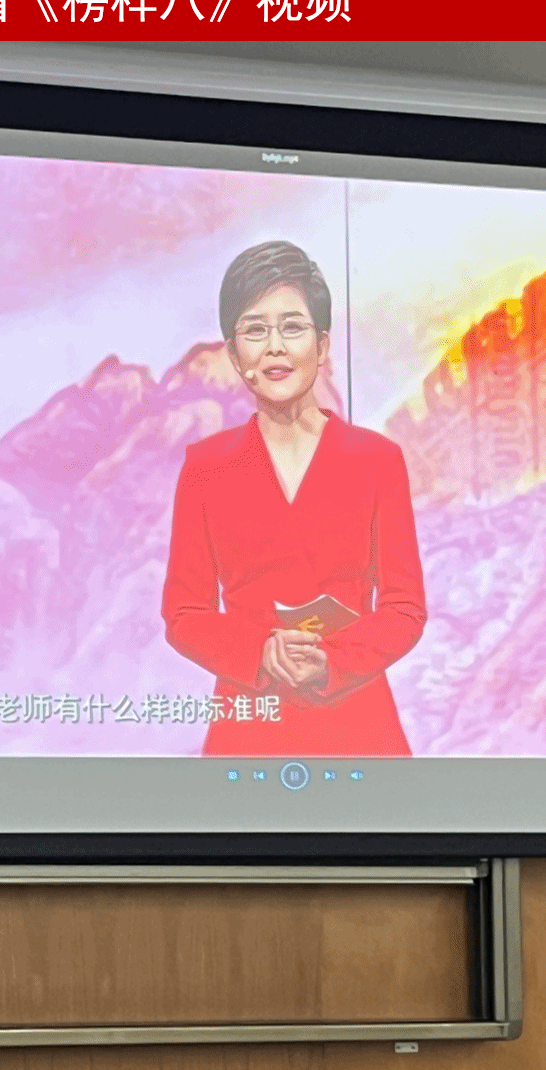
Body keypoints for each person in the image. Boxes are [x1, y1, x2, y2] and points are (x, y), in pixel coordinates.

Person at [161, 241, 426, 757]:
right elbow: (184, 612)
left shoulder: (377, 460)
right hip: (251, 721)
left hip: (357, 719)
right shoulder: (206, 467)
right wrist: (259, 653)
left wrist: (335, 662)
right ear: (234, 355)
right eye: (255, 330)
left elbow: (405, 607)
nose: (275, 347)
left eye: (292, 327)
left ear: (322, 347)